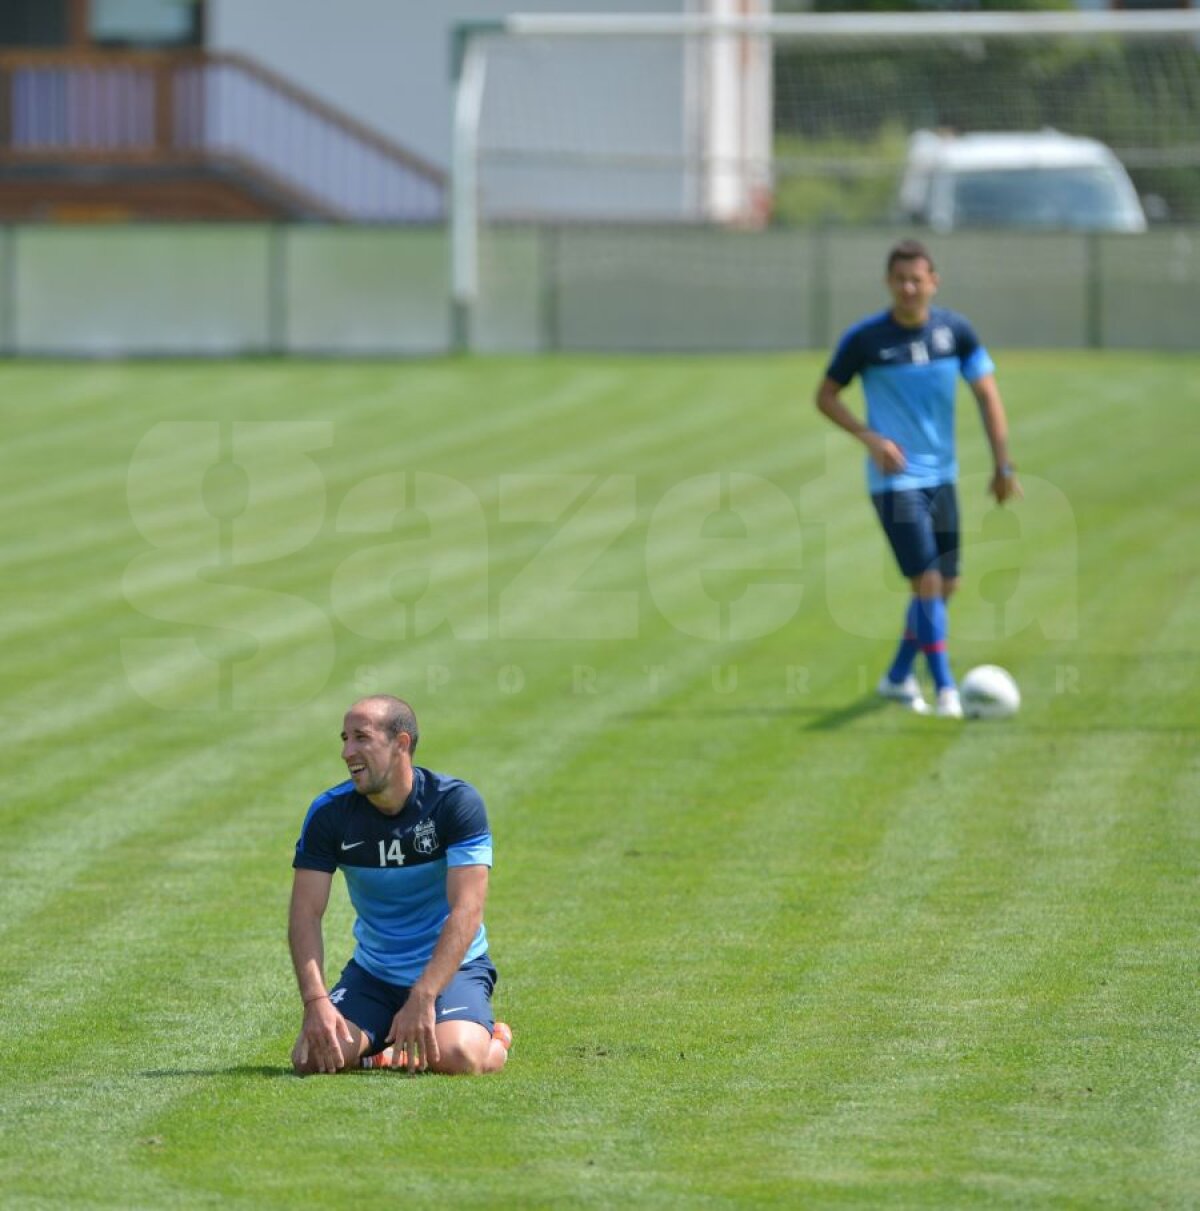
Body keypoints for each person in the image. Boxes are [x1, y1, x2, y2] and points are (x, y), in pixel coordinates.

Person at [815, 239, 1021, 718]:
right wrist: (870, 438)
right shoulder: (866, 340)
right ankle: (947, 689)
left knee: (947, 586)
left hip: (942, 478)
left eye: (917, 279)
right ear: (889, 283)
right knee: (927, 582)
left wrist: (1003, 465)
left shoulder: (956, 333)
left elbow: (987, 395)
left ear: (933, 282)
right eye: (900, 279)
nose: (908, 288)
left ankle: (896, 676)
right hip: (895, 481)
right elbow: (825, 396)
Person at [289, 694, 511, 1075]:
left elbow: (467, 910)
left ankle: (497, 1039)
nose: (347, 751)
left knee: (458, 1056)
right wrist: (316, 1001)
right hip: (375, 974)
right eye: (344, 738)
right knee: (312, 1059)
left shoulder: (454, 804)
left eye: (361, 738)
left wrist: (424, 995)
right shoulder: (329, 814)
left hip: (451, 972)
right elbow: (305, 914)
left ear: (401, 743)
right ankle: (389, 1048)